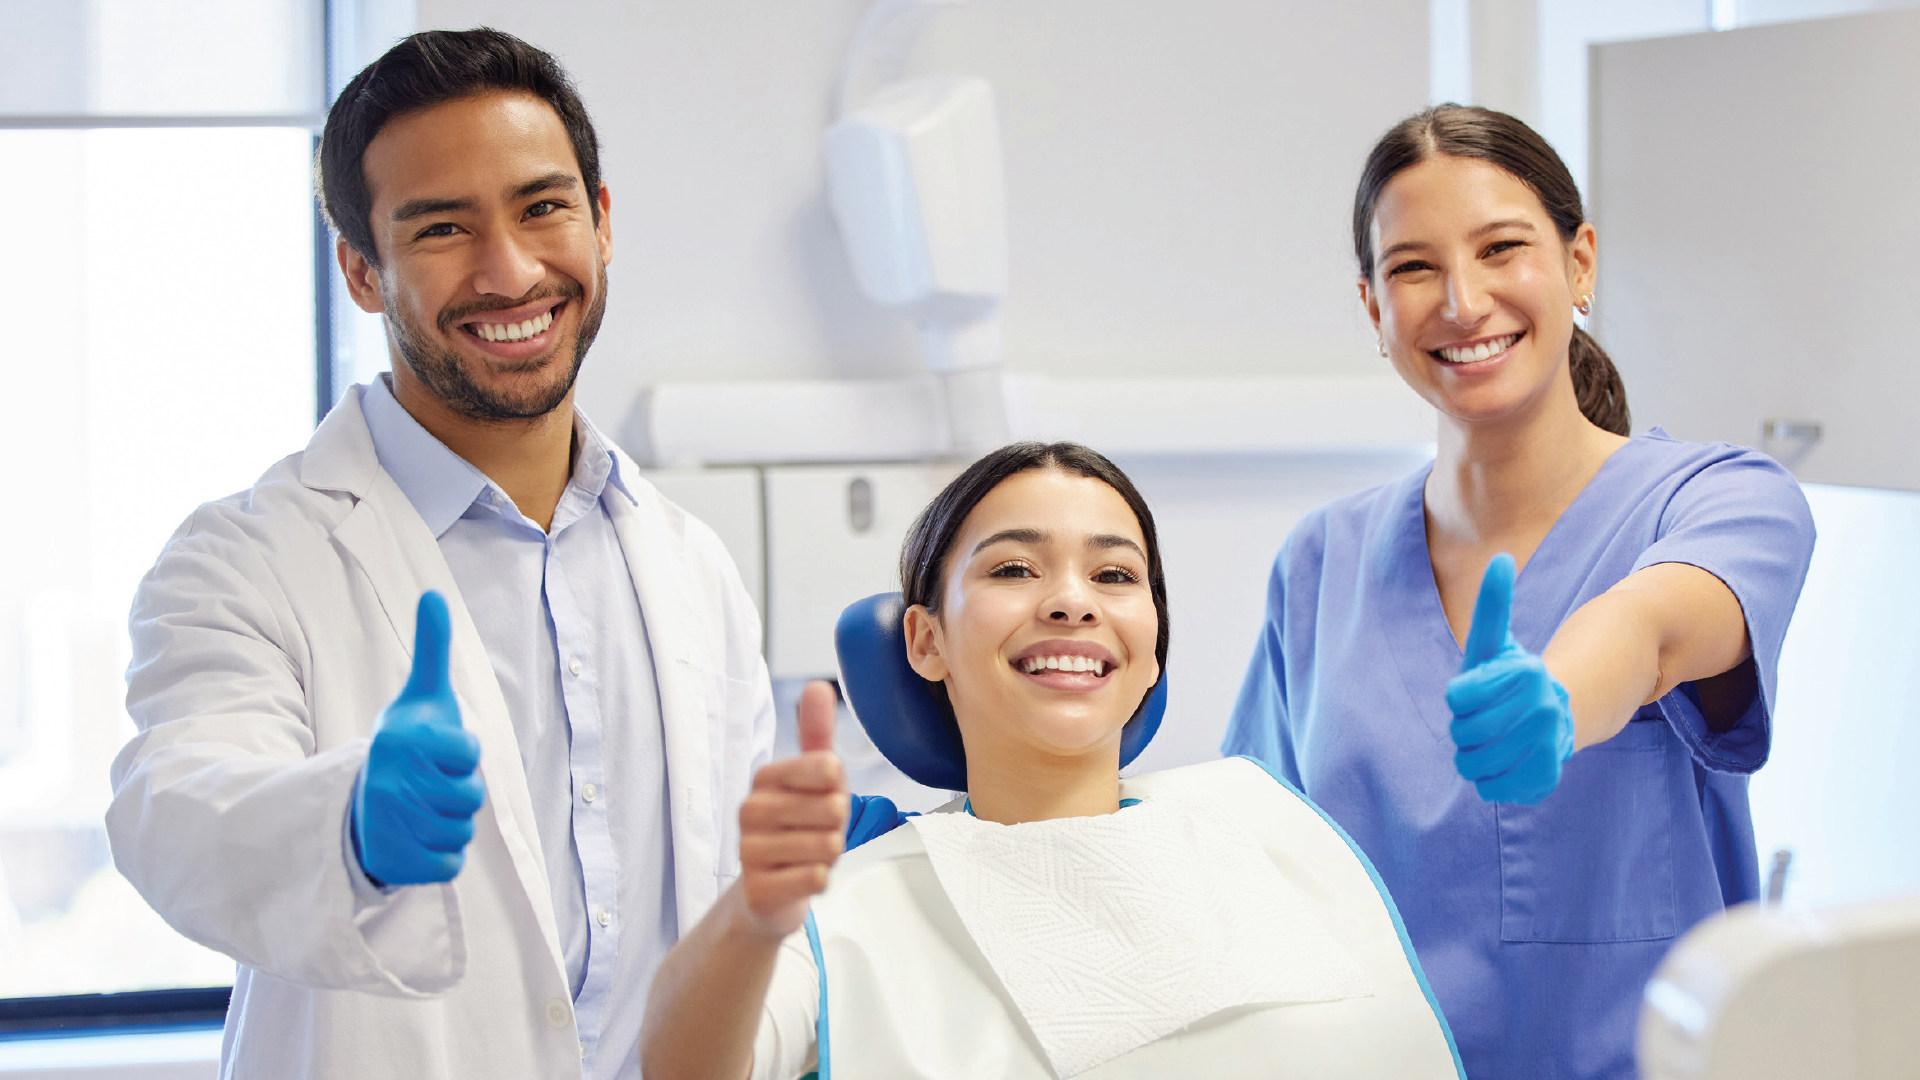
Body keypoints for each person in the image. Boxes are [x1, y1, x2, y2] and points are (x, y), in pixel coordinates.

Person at [104, 29, 773, 1080]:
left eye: (542, 207)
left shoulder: (690, 566)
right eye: (442, 229)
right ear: (362, 273)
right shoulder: (243, 560)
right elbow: (174, 813)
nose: (509, 273)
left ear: (601, 223)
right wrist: (353, 826)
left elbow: (721, 917)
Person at [1222, 104, 1817, 1080]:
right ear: (1374, 309)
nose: (1462, 300)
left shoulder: (1721, 500)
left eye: (1502, 248)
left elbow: (1654, 627)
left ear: (1579, 264)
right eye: (1413, 268)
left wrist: (1565, 695)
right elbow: (1252, 859)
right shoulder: (1318, 564)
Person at [640, 442, 1466, 1080]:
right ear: (926, 641)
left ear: (1150, 654)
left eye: (1113, 573)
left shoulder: (1270, 834)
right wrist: (752, 915)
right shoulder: (852, 906)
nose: (1072, 600)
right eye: (1013, 568)